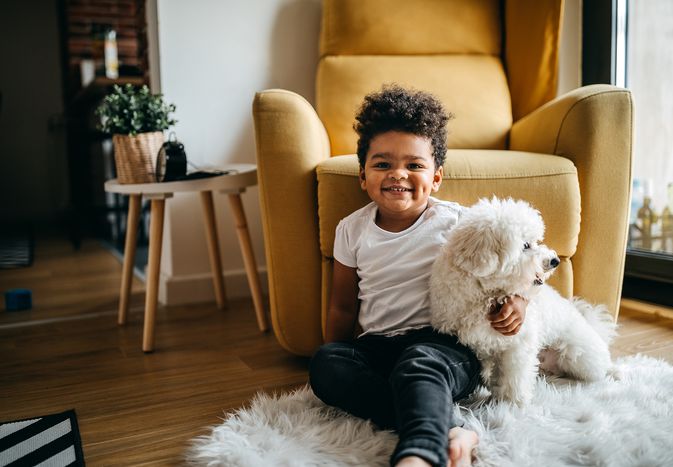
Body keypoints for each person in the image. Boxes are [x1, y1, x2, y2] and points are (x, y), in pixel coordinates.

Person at [309, 85, 528, 467]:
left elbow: (518, 269)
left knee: (418, 364)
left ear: (436, 177)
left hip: (444, 348)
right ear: (363, 175)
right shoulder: (351, 230)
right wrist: (342, 357)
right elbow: (343, 306)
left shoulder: (458, 223)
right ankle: (453, 427)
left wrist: (519, 302)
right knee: (326, 365)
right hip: (379, 347)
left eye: (414, 165)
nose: (398, 174)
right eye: (382, 164)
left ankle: (420, 454)